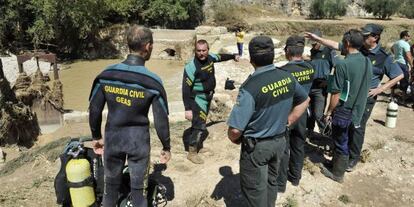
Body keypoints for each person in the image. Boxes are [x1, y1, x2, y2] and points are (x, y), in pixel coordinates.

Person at [89, 25, 171, 207]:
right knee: (139, 194)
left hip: (113, 139)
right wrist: (166, 145)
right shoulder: (153, 82)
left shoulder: (106, 75)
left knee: (110, 190)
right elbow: (161, 120)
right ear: (147, 46)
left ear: (128, 44)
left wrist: (96, 136)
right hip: (138, 142)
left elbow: (94, 110)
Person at [305, 23, 403, 172]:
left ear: (375, 38)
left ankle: (353, 158)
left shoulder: (383, 57)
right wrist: (318, 38)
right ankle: (341, 155)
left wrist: (380, 89)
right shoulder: (359, 49)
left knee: (357, 127)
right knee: (344, 126)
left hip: (366, 98)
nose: (363, 38)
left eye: (366, 36)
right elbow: (336, 45)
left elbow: (399, 75)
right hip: (349, 96)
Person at [227, 35, 310, 207]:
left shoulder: (250, 87)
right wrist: (289, 121)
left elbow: (235, 130)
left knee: (254, 192)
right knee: (271, 183)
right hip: (280, 142)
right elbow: (304, 100)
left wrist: (234, 139)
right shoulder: (286, 77)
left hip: (257, 148)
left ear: (251, 59)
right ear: (273, 55)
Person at [319, 29, 372, 183]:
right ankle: (337, 164)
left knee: (340, 140)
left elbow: (336, 94)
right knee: (346, 138)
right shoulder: (367, 61)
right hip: (358, 109)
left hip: (344, 109)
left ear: (347, 43)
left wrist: (328, 112)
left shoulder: (343, 64)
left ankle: (337, 174)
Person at [182, 39, 239, 164]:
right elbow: (185, 89)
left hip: (208, 96)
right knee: (199, 125)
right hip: (198, 99)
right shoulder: (191, 67)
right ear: (195, 51)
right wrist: (187, 109)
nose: (201, 53)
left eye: (204, 50)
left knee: (200, 123)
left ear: (208, 50)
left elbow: (221, 57)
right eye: (198, 51)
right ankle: (192, 152)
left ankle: (198, 145)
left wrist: (233, 56)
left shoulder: (211, 57)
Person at [276, 35, 315, 192]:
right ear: (302, 50)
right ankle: (295, 177)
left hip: (286, 115)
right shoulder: (310, 68)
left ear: (287, 51)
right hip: (303, 113)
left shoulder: (282, 71)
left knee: (284, 148)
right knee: (299, 145)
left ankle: (280, 184)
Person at [308, 29, 337, 135]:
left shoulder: (329, 51)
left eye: (315, 43)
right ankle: (309, 132)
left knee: (319, 114)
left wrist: (329, 84)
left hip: (322, 87)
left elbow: (337, 67)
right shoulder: (312, 52)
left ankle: (327, 135)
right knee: (309, 112)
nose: (313, 45)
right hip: (311, 85)